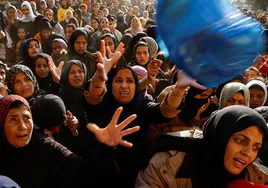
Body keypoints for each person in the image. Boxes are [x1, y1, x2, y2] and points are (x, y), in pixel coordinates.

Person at [84, 44, 207, 187]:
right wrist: (99, 77)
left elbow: (164, 112)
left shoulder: (142, 104)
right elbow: (93, 97)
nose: (124, 85)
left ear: (136, 86)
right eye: (118, 80)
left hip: (137, 177)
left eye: (130, 81)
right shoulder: (103, 104)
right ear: (110, 85)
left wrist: (179, 90)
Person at [0, 94, 139, 187]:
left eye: (26, 118)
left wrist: (106, 146)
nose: (23, 126)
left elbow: (83, 169)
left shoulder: (46, 145)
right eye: (13, 119)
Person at [136, 105, 268, 187]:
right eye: (240, 140)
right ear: (220, 136)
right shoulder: (167, 165)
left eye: (256, 147)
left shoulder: (256, 178)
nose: (248, 152)